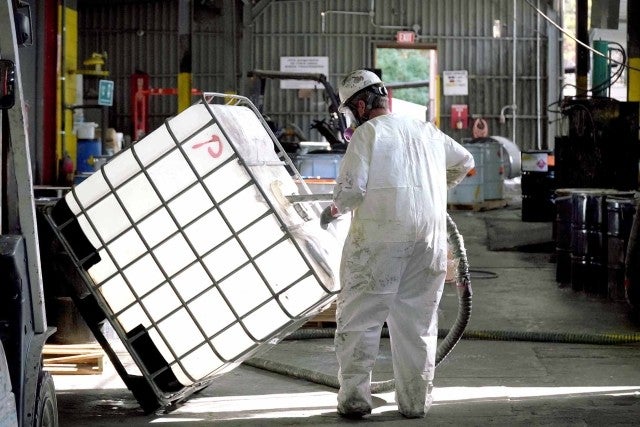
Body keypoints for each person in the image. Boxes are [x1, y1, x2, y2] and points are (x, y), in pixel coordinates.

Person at [320, 69, 474, 419]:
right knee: (418, 325)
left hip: (380, 242)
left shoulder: (366, 135)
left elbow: (351, 191)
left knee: (360, 320)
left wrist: (333, 210)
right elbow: (466, 160)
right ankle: (414, 403)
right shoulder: (426, 130)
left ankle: (356, 400)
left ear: (359, 105)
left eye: (348, 112)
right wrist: (435, 188)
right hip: (429, 243)